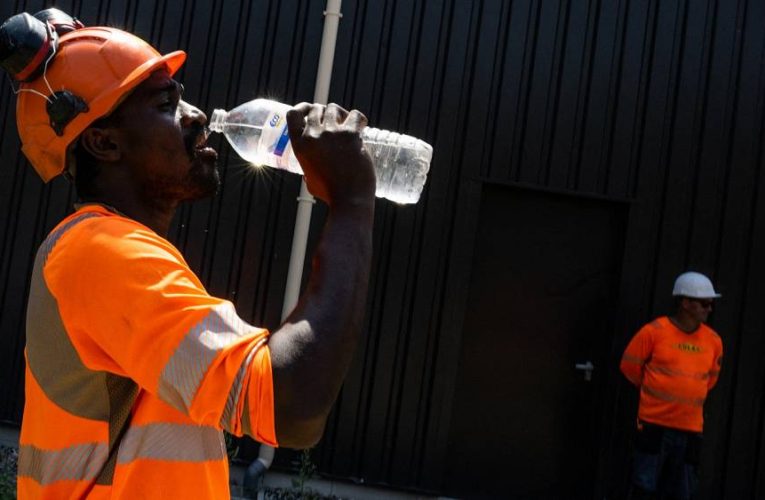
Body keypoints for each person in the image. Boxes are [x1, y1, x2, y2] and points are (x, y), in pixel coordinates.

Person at [1, 9, 375, 499]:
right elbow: (291, 406)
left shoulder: (106, 252)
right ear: (104, 142)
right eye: (165, 104)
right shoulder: (101, 255)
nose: (195, 115)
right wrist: (350, 204)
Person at [620, 271, 723, 500]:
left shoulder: (713, 341)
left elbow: (711, 379)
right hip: (654, 425)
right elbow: (629, 368)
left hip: (690, 429)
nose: (710, 309)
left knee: (682, 491)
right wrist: (656, 393)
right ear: (685, 303)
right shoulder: (654, 332)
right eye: (704, 303)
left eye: (711, 303)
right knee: (643, 485)